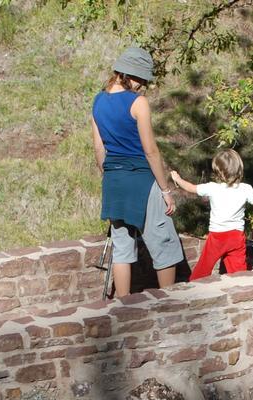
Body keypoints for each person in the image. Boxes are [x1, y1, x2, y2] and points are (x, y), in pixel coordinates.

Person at [91, 46, 182, 298]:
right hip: (142, 179)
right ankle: (169, 302)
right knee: (162, 241)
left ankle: (123, 306)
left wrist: (109, 175)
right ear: (126, 74)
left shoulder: (98, 101)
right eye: (140, 78)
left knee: (122, 248)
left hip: (113, 180)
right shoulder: (138, 103)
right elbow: (151, 151)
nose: (142, 84)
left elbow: (99, 148)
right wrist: (165, 190)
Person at [169, 149, 253, 281]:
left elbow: (190, 187)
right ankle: (241, 294)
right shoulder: (245, 188)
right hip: (236, 237)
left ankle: (194, 289)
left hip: (217, 237)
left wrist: (177, 178)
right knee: (239, 273)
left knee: (203, 269)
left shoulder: (212, 187)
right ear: (239, 169)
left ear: (217, 170)